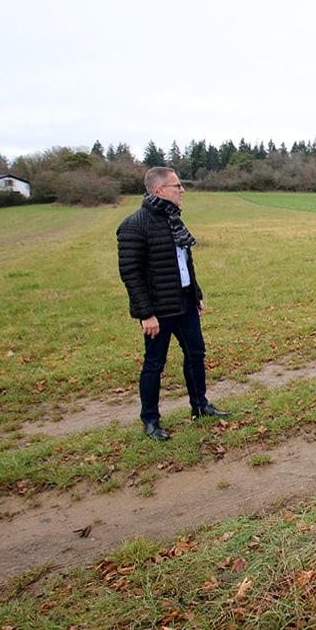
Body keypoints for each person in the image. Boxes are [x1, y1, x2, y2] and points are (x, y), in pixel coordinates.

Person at [116, 167, 229, 440]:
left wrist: (196, 294)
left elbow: (185, 263)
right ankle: (151, 421)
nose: (182, 190)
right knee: (154, 364)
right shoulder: (134, 225)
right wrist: (146, 314)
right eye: (177, 186)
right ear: (159, 191)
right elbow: (130, 274)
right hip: (159, 310)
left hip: (185, 303)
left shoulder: (173, 220)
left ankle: (200, 406)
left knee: (196, 354)